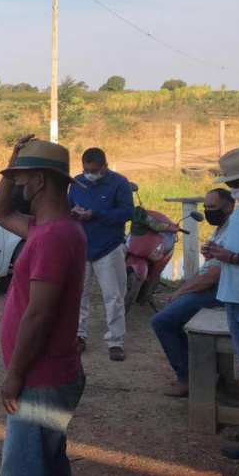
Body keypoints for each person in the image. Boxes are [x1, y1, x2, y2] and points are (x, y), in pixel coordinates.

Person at [0, 135, 88, 476]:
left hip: (40, 380)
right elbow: (1, 212)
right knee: (49, 465)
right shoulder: (46, 229)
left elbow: (40, 314)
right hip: (49, 376)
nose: (18, 186)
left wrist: (15, 374)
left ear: (40, 181)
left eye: (20, 179)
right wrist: (12, 163)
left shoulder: (52, 238)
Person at [152, 188, 234, 398]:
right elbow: (206, 269)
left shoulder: (233, 229)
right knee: (170, 317)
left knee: (162, 321)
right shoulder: (221, 229)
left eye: (212, 207)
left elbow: (213, 276)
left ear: (228, 206)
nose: (207, 211)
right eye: (205, 207)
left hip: (219, 290)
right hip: (212, 286)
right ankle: (198, 371)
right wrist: (183, 289)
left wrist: (182, 291)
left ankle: (187, 378)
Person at [207, 146, 239, 471]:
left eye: (236, 183)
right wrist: (216, 250)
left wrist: (233, 258)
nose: (233, 189)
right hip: (234, 300)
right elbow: (232, 247)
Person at [68, 147, 134, 361]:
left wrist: (96, 214)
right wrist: (73, 213)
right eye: (86, 170)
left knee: (114, 297)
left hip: (109, 247)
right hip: (82, 248)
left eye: (94, 170)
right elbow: (67, 207)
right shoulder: (76, 183)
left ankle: (115, 341)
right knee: (78, 296)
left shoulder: (120, 183)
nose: (90, 174)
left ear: (105, 166)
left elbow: (128, 212)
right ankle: (78, 335)